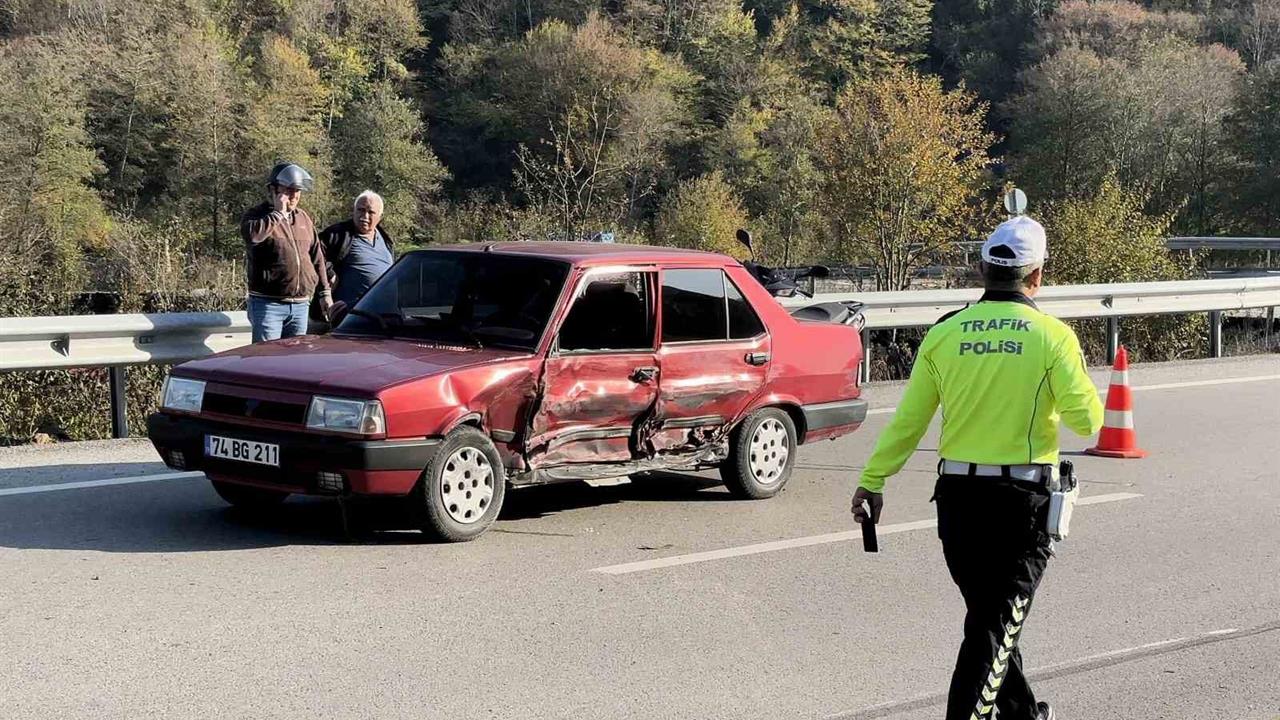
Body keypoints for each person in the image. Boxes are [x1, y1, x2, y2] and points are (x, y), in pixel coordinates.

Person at [850, 216, 1103, 720]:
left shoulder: (945, 334)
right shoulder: (1052, 336)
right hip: (1021, 505)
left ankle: (1022, 714)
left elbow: (909, 421)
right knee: (993, 629)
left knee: (990, 620)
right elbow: (1087, 421)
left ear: (980, 269)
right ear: (1038, 276)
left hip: (958, 505)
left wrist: (873, 481)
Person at [241, 163, 332, 342]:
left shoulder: (303, 218)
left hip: (300, 305)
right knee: (266, 361)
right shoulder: (257, 215)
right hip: (268, 305)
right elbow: (252, 236)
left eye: (297, 190)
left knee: (293, 363)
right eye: (289, 190)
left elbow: (317, 257)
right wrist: (277, 214)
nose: (294, 195)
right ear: (273, 189)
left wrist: (325, 293)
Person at [319, 190, 395, 313]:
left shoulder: (385, 240)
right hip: (350, 316)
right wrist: (329, 276)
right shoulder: (338, 235)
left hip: (381, 313)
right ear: (353, 211)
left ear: (380, 217)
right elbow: (315, 256)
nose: (364, 216)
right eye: (360, 210)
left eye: (371, 212)